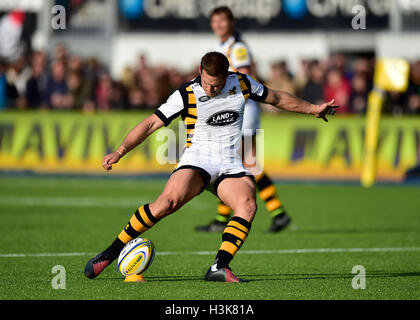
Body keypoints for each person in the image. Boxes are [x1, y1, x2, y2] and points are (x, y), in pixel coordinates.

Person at [83, 52, 337, 282]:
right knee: (166, 203)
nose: (209, 88)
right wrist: (120, 151)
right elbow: (151, 123)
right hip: (197, 160)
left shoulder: (242, 83)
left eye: (215, 84)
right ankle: (110, 253)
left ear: (226, 76)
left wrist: (314, 109)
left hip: (230, 163)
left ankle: (219, 267)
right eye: (205, 82)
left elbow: (278, 97)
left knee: (247, 205)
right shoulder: (186, 92)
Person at [196, 6, 291, 233]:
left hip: (243, 110)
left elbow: (244, 77)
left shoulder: (237, 48)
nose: (218, 25)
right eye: (215, 21)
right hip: (237, 111)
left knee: (248, 161)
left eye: (222, 21)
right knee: (231, 160)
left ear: (231, 23)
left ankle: (278, 212)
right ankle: (225, 218)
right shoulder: (224, 47)